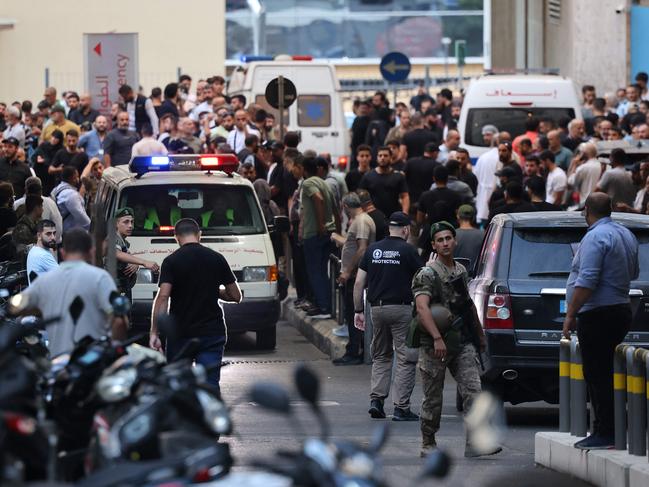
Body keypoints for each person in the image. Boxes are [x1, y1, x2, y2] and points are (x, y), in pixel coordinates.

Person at [412, 221, 500, 458]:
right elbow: (422, 308)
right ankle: (428, 442)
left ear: (455, 240)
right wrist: (437, 338)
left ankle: (474, 443)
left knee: (473, 391)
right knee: (433, 397)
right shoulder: (427, 274)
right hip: (435, 346)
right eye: (439, 240)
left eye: (448, 238)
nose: (445, 243)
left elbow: (467, 305)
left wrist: (479, 335)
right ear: (433, 245)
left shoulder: (460, 271)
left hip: (462, 342)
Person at [563, 193, 639, 450]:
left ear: (586, 210)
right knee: (605, 372)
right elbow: (634, 271)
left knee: (598, 375)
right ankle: (608, 430)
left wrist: (571, 314)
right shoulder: (625, 234)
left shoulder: (595, 237)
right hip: (620, 309)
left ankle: (605, 432)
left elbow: (587, 280)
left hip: (598, 315)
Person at [150, 218, 241, 391]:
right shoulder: (217, 258)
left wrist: (154, 332)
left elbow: (163, 297)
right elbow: (235, 295)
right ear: (200, 235)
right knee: (210, 385)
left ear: (176, 237)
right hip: (211, 334)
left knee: (178, 386)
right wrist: (214, 290)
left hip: (180, 334)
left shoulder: (171, 261)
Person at [353, 211, 422, 421]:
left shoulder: (373, 250)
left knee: (381, 355)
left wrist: (358, 310)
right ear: (406, 229)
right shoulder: (409, 251)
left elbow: (358, 283)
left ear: (388, 229)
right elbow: (423, 278)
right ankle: (401, 407)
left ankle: (377, 401)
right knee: (405, 358)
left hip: (377, 309)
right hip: (402, 309)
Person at [20, 228, 127, 356]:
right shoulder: (100, 278)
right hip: (93, 361)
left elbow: (19, 308)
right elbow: (119, 321)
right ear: (91, 252)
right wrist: (115, 347)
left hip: (58, 364)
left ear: (63, 253)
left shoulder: (44, 281)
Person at [331, 193, 376, 365]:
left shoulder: (361, 221)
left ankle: (355, 351)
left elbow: (362, 248)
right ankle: (355, 348)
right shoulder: (361, 220)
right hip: (355, 274)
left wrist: (348, 272)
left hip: (356, 275)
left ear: (344, 207)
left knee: (354, 314)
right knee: (353, 314)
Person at [299, 156, 339, 319]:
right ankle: (325, 304)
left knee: (315, 271)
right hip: (328, 232)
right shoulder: (325, 182)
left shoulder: (308, 183)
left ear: (304, 169)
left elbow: (318, 199)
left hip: (314, 233)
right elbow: (336, 207)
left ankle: (324, 307)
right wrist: (334, 226)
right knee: (323, 272)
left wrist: (321, 224)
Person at [111, 207, 160, 302]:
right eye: (126, 222)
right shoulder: (113, 238)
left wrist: (135, 264)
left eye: (132, 222)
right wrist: (144, 262)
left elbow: (126, 258)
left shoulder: (123, 242)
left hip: (122, 291)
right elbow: (116, 253)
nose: (130, 226)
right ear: (116, 224)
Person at [359, 146, 409, 216]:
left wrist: (405, 214)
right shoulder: (368, 176)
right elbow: (361, 197)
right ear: (377, 158)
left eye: (385, 156)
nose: (382, 158)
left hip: (393, 216)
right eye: (380, 156)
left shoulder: (398, 176)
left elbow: (405, 196)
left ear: (391, 158)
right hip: (373, 217)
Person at [51, 166, 90, 232]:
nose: (78, 179)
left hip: (61, 229)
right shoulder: (71, 195)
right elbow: (80, 215)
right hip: (70, 232)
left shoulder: (57, 189)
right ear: (73, 178)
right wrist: (91, 228)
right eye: (77, 176)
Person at [404, 142, 440, 213]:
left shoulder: (411, 162)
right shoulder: (437, 166)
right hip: (428, 202)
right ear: (435, 153)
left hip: (411, 200)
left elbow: (403, 178)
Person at [26, 219, 58, 283]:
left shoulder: (34, 249)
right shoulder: (43, 255)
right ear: (39, 236)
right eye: (48, 234)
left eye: (54, 233)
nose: (53, 237)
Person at [454, 205, 484, 270]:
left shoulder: (452, 235)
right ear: (473, 217)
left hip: (456, 275)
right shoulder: (482, 234)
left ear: (458, 216)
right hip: (476, 276)